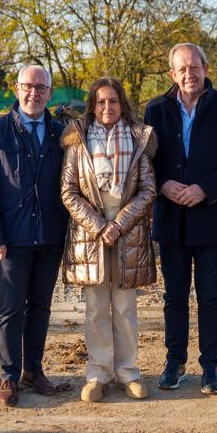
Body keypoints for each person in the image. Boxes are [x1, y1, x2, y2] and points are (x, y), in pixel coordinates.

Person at [143, 43, 217, 395]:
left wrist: (205, 188)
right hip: (171, 216)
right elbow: (143, 161)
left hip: (210, 215)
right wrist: (162, 184)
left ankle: (210, 366)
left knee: (210, 296)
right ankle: (175, 362)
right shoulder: (155, 110)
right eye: (181, 69)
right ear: (172, 74)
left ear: (206, 68)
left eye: (195, 67)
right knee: (173, 296)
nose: (189, 74)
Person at [60, 77, 157, 402]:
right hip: (91, 233)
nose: (107, 107)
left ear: (122, 103)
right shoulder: (78, 139)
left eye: (112, 101)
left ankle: (128, 373)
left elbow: (147, 190)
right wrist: (100, 226)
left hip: (128, 232)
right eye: (100, 102)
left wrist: (120, 222)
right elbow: (69, 191)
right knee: (96, 309)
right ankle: (98, 373)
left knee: (126, 308)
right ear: (92, 104)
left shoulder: (139, 138)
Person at [0, 65, 68, 407]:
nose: (34, 93)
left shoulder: (62, 134)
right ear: (16, 89)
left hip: (50, 237)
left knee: (41, 307)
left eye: (41, 87)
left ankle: (34, 370)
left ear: (50, 92)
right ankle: (9, 375)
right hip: (11, 240)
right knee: (11, 309)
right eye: (28, 86)